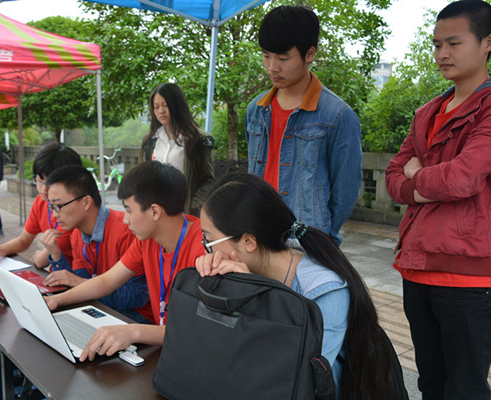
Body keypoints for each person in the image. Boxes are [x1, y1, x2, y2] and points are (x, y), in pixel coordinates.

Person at [196, 173, 398, 399]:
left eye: (209, 241)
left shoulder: (325, 293)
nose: (208, 249)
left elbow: (299, 382)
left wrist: (253, 298)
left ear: (248, 242)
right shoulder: (249, 269)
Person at [385, 1, 491, 398]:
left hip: (469, 276)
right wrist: (421, 187)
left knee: (465, 388)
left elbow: (463, 178)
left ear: (487, 43)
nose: (443, 53)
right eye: (436, 44)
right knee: (430, 383)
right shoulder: (428, 112)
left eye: (454, 43)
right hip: (417, 268)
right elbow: (393, 177)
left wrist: (417, 176)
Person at [45, 161, 205, 361]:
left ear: (154, 212)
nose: (126, 219)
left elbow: (197, 331)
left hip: (193, 357)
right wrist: (56, 300)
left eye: (129, 210)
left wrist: (134, 331)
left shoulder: (204, 249)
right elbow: (107, 281)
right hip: (167, 345)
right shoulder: (147, 240)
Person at [245, 6, 362, 245]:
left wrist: (319, 238)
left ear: (309, 54)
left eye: (283, 58)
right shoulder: (255, 110)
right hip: (256, 233)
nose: (272, 67)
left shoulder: (337, 116)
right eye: (266, 55)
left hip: (305, 243)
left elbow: (346, 192)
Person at [40, 165, 150, 323]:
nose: (54, 215)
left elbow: (137, 297)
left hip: (135, 316)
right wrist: (56, 255)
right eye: (51, 207)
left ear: (86, 202)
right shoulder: (77, 234)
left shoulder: (127, 230)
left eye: (58, 206)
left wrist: (78, 282)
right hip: (102, 307)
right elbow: (76, 284)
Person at [0, 143, 81, 268]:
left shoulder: (72, 210)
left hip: (74, 275)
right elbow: (23, 240)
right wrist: (0, 250)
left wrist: (35, 256)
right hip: (58, 273)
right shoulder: (41, 201)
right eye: (39, 181)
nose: (44, 189)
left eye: (50, 183)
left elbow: (40, 261)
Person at [141, 83, 215, 216]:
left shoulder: (198, 139)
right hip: (158, 212)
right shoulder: (151, 142)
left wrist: (193, 206)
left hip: (185, 212)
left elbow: (208, 180)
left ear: (177, 105)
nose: (161, 111)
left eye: (165, 105)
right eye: (156, 107)